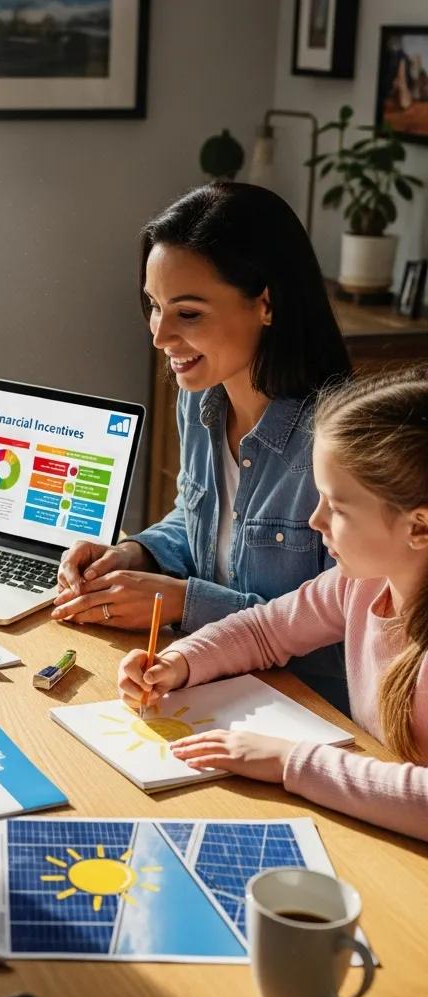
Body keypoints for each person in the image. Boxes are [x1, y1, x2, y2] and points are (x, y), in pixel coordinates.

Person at [53, 182, 351, 704]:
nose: (159, 336)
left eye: (187, 314)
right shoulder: (201, 399)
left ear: (267, 304)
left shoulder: (340, 444)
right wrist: (135, 555)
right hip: (209, 683)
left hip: (311, 711)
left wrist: (184, 605)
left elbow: (350, 636)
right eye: (154, 305)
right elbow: (203, 522)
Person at [117, 369, 428, 843]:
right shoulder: (358, 584)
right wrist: (179, 663)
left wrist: (289, 761)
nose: (315, 519)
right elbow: (264, 631)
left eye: (338, 508)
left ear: (419, 528)